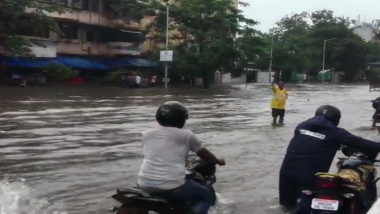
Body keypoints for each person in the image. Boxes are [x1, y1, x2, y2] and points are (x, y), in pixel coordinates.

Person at [278, 105, 380, 213]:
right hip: (310, 177)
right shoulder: (335, 132)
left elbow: (311, 143)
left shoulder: (302, 127)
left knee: (286, 207)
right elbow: (362, 143)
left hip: (286, 173)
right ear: (336, 119)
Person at [137, 101, 225, 214]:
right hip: (171, 184)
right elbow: (203, 153)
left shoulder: (146, 134)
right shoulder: (186, 135)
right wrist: (218, 161)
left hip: (144, 183)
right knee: (205, 195)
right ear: (181, 119)